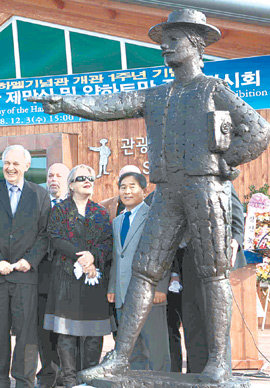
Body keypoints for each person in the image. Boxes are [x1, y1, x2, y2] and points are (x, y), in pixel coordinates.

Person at [29, 8, 270, 384]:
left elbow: (257, 131)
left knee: (213, 274)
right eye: (162, 41)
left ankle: (218, 363)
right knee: (144, 269)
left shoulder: (213, 89)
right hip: (167, 191)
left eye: (172, 40)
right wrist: (67, 104)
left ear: (194, 43)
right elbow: (111, 104)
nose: (164, 47)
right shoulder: (156, 95)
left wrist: (222, 162)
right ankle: (121, 358)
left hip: (205, 189)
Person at [44, 164, 114, 387]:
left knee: (93, 334)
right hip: (66, 279)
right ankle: (70, 380)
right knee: (67, 334)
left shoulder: (101, 213)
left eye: (91, 178)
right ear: (71, 185)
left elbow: (107, 243)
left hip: (94, 279)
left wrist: (93, 257)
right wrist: (81, 257)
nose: (87, 181)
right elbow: (55, 238)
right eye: (82, 178)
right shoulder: (60, 211)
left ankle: (88, 379)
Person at [107, 172, 171, 371]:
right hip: (123, 294)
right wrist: (112, 288)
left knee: (156, 349)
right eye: (123, 187)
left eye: (132, 186)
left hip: (149, 293)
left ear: (144, 191)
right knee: (132, 351)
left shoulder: (154, 216)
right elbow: (118, 257)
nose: (127, 191)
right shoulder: (118, 221)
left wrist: (161, 287)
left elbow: (163, 253)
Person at [0, 144, 50, 388]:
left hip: (25, 276)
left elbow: (44, 234)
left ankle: (24, 382)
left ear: (27, 167)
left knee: (26, 336)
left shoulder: (39, 195)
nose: (10, 168)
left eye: (16, 163)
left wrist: (28, 260)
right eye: (6, 163)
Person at [37, 163, 70, 388]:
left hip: (68, 279)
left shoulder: (75, 206)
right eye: (50, 175)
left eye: (59, 175)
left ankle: (68, 374)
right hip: (40, 279)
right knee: (43, 330)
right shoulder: (38, 205)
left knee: (66, 331)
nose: (53, 179)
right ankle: (48, 372)